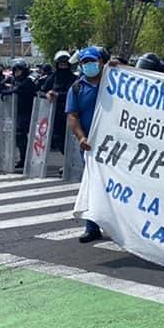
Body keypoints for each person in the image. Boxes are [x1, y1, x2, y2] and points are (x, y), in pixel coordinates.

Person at [66, 46, 107, 243]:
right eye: (86, 62)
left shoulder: (114, 82)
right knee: (93, 184)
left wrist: (120, 66)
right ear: (81, 65)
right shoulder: (76, 88)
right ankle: (92, 227)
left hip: (116, 145)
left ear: (101, 62)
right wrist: (81, 137)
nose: (90, 65)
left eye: (93, 61)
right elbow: (73, 116)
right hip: (90, 146)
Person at [0, 59, 38, 169]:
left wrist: (6, 92)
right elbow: (0, 86)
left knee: (21, 134)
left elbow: (17, 90)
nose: (16, 73)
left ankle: (25, 158)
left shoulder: (28, 81)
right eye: (15, 70)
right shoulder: (14, 80)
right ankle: (22, 157)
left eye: (19, 70)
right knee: (17, 135)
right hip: (16, 111)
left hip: (27, 112)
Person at [39, 51, 76, 152]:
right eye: (61, 64)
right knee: (57, 138)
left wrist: (58, 95)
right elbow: (42, 91)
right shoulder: (53, 77)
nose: (63, 67)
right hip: (55, 113)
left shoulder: (73, 78)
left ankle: (70, 165)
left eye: (65, 64)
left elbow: (72, 94)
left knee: (70, 139)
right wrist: (47, 95)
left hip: (69, 113)